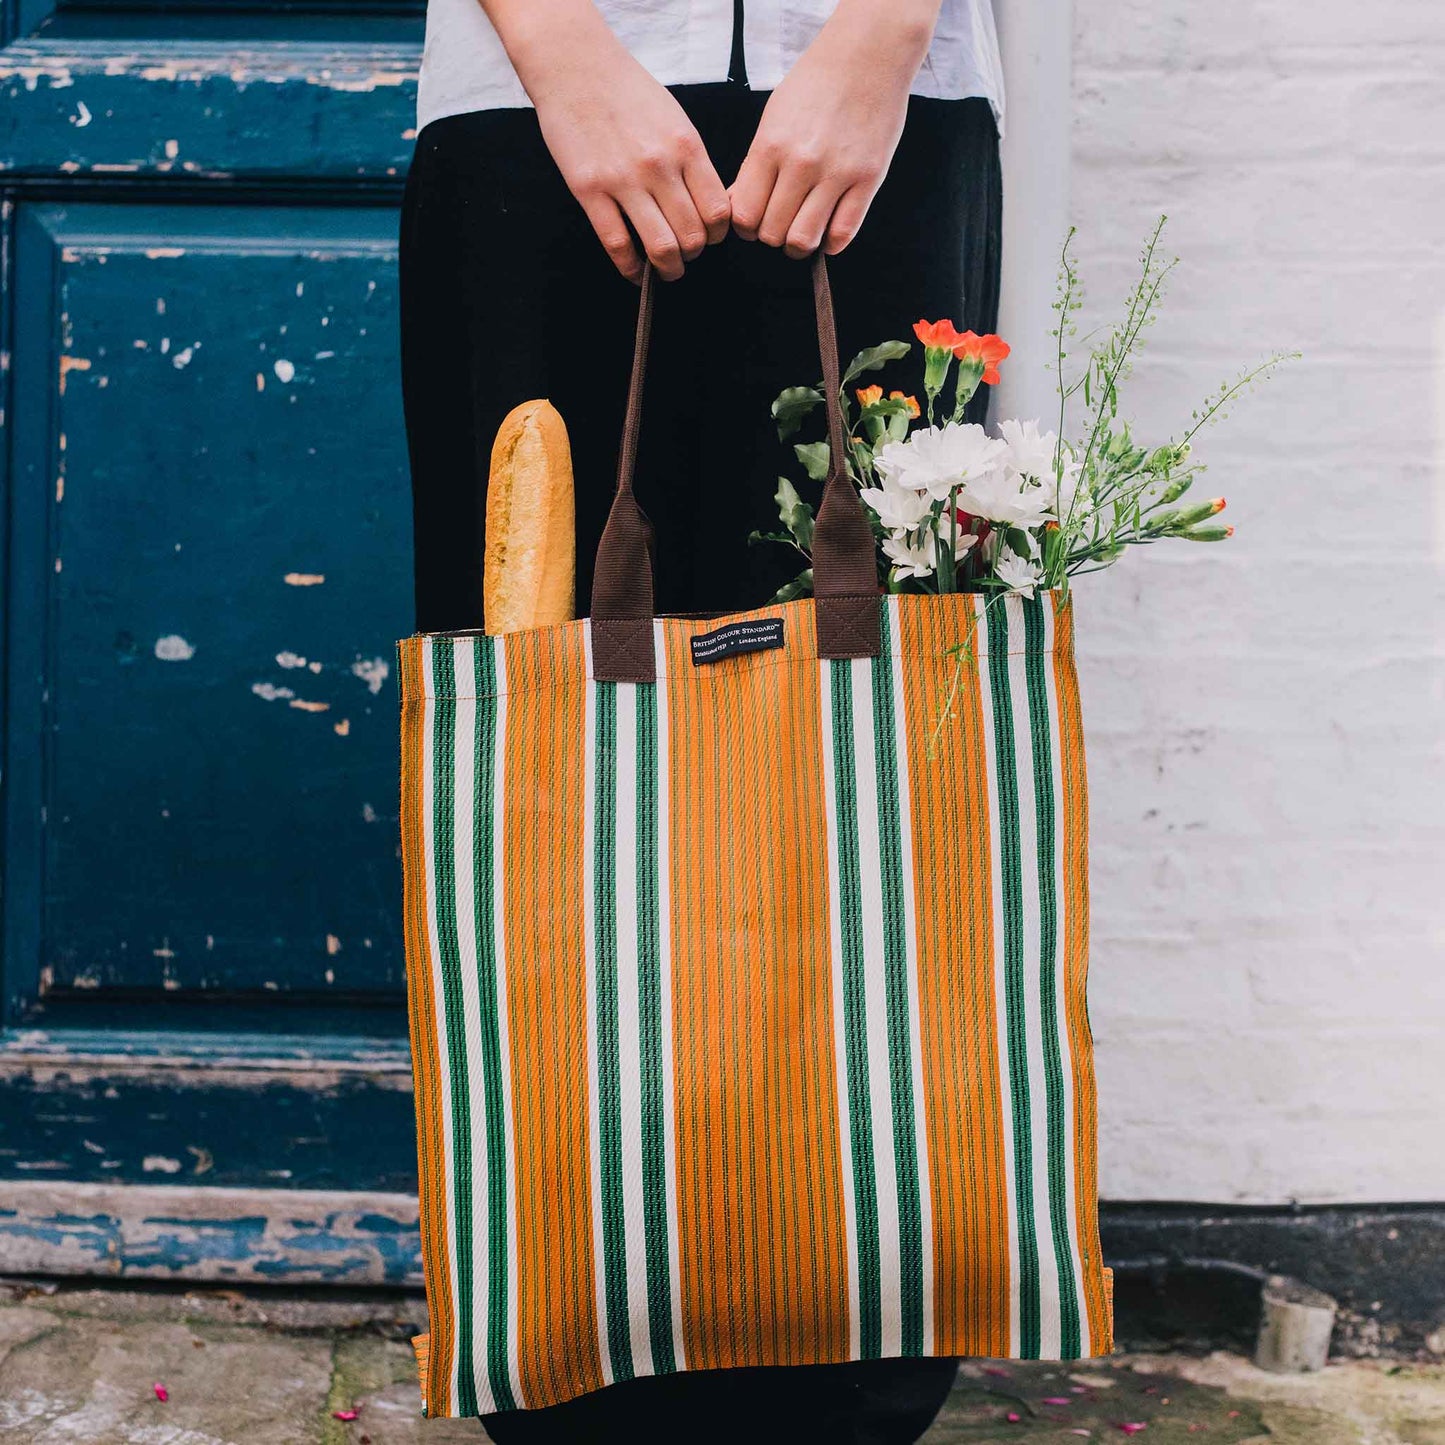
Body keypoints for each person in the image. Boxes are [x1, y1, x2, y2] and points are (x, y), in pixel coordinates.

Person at [400, 1, 1003, 1439]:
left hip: (879, 113)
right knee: (536, 730)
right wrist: (560, 48)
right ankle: (561, 1324)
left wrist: (879, 39)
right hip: (534, 120)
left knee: (875, 743)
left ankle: (855, 1329)